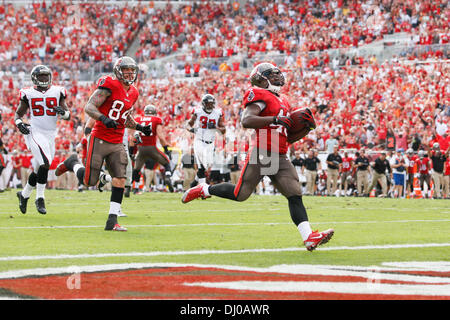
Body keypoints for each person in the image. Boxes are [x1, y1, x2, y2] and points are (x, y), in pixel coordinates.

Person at [181, 62, 333, 251]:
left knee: (295, 194)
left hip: (280, 152)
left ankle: (308, 237)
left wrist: (305, 130)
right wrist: (274, 119)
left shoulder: (284, 100)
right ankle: (204, 189)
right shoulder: (260, 95)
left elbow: (288, 135)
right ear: (261, 79)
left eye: (278, 74)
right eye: (272, 74)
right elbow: (247, 120)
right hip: (262, 149)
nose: (278, 77)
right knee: (241, 194)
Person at [55, 56, 151, 231]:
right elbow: (89, 107)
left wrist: (140, 127)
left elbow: (124, 117)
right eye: (126, 70)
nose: (130, 73)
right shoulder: (110, 84)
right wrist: (103, 119)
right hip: (99, 138)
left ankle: (112, 221)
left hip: (117, 141)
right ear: (118, 71)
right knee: (89, 181)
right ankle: (73, 163)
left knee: (120, 178)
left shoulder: (134, 92)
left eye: (132, 70)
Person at [15, 64, 71, 214]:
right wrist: (19, 123)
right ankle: (40, 198)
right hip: (35, 131)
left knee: (39, 168)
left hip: (50, 134)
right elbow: (18, 114)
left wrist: (63, 113)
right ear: (34, 78)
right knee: (46, 163)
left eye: (46, 76)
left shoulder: (58, 91)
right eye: (41, 76)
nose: (44, 79)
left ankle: (24, 194)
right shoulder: (28, 93)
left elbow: (68, 114)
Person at [131, 104, 173, 193]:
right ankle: (168, 177)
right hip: (151, 148)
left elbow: (133, 137)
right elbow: (161, 137)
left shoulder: (139, 119)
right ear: (154, 112)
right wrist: (166, 149)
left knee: (137, 169)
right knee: (166, 163)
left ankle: (135, 188)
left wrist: (131, 151)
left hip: (141, 149)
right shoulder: (156, 119)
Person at [186, 94, 226, 184]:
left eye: (212, 104)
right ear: (204, 104)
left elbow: (223, 130)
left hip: (211, 143)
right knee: (202, 164)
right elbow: (188, 124)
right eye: (208, 104)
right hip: (199, 141)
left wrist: (216, 127)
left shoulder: (218, 113)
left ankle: (193, 185)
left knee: (205, 167)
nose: (210, 106)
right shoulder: (198, 111)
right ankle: (203, 189)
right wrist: (191, 129)